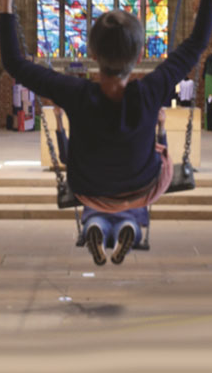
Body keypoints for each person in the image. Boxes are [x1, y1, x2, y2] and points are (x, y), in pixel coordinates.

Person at [0, 0, 212, 210]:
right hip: (145, 188)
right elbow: (197, 43)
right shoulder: (151, 90)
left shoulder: (75, 93)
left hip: (87, 190)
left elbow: (14, 63)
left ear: (92, 54)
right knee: (161, 153)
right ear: (140, 56)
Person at [53, 106, 170, 265]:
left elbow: (67, 156)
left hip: (97, 206)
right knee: (131, 228)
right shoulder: (135, 148)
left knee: (95, 224)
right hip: (130, 209)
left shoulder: (94, 147)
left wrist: (59, 119)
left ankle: (96, 232)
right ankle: (122, 234)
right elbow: (159, 160)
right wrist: (161, 127)